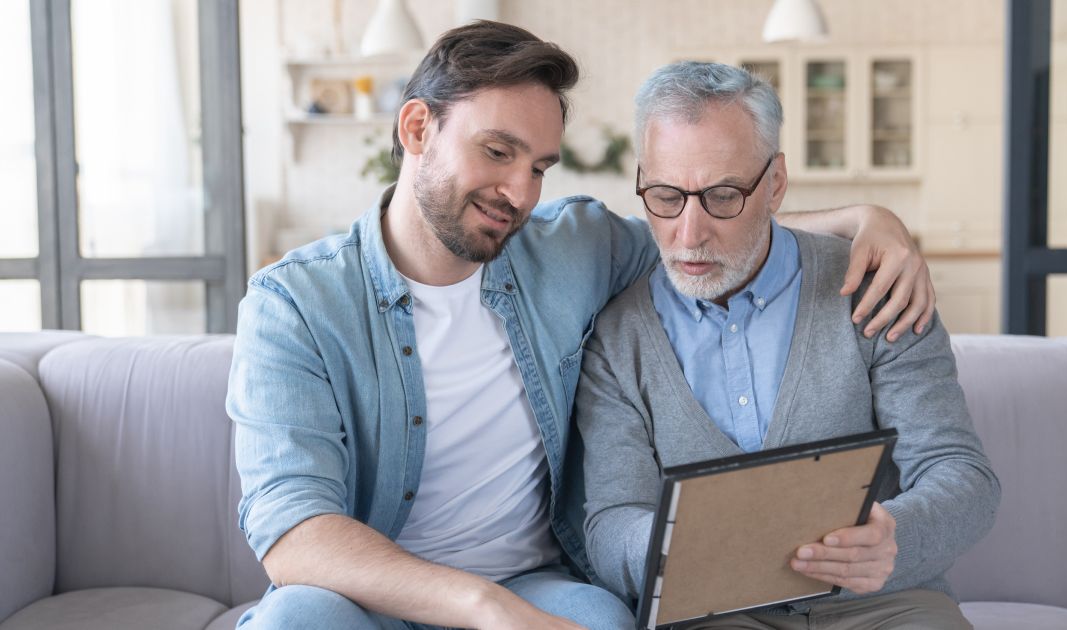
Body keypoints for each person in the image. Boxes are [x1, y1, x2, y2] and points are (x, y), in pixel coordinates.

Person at [228, 22, 938, 630]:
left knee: (599, 620)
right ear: (418, 128)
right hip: (370, 596)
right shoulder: (295, 304)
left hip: (534, 581)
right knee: (294, 619)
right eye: (497, 152)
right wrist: (484, 609)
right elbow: (292, 531)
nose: (520, 194)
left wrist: (868, 220)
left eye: (539, 167)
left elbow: (704, 231)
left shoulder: (570, 248)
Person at [574, 61, 1000, 629]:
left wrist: (897, 535)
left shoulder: (875, 290)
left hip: (882, 606)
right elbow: (609, 524)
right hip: (710, 612)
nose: (689, 233)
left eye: (724, 196)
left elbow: (962, 475)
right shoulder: (617, 337)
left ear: (775, 183)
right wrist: (681, 547)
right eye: (665, 195)